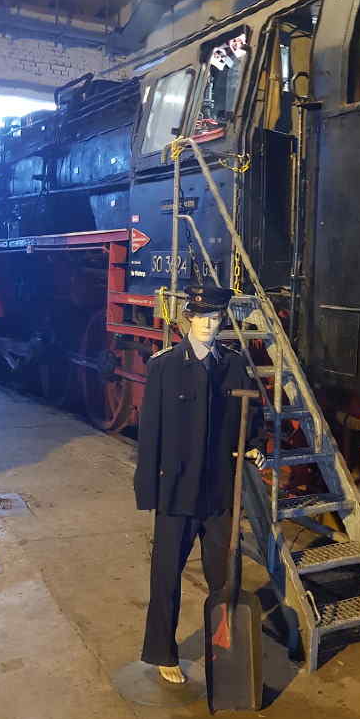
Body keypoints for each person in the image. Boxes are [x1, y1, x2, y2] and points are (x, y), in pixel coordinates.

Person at [134, 283, 253, 684]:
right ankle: (161, 652)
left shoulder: (233, 364)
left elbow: (246, 416)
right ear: (187, 320)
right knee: (166, 574)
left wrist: (253, 444)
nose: (208, 325)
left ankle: (225, 648)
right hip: (177, 490)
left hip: (217, 491)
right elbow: (150, 433)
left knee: (225, 575)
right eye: (201, 317)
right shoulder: (164, 367)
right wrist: (148, 491)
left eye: (215, 318)